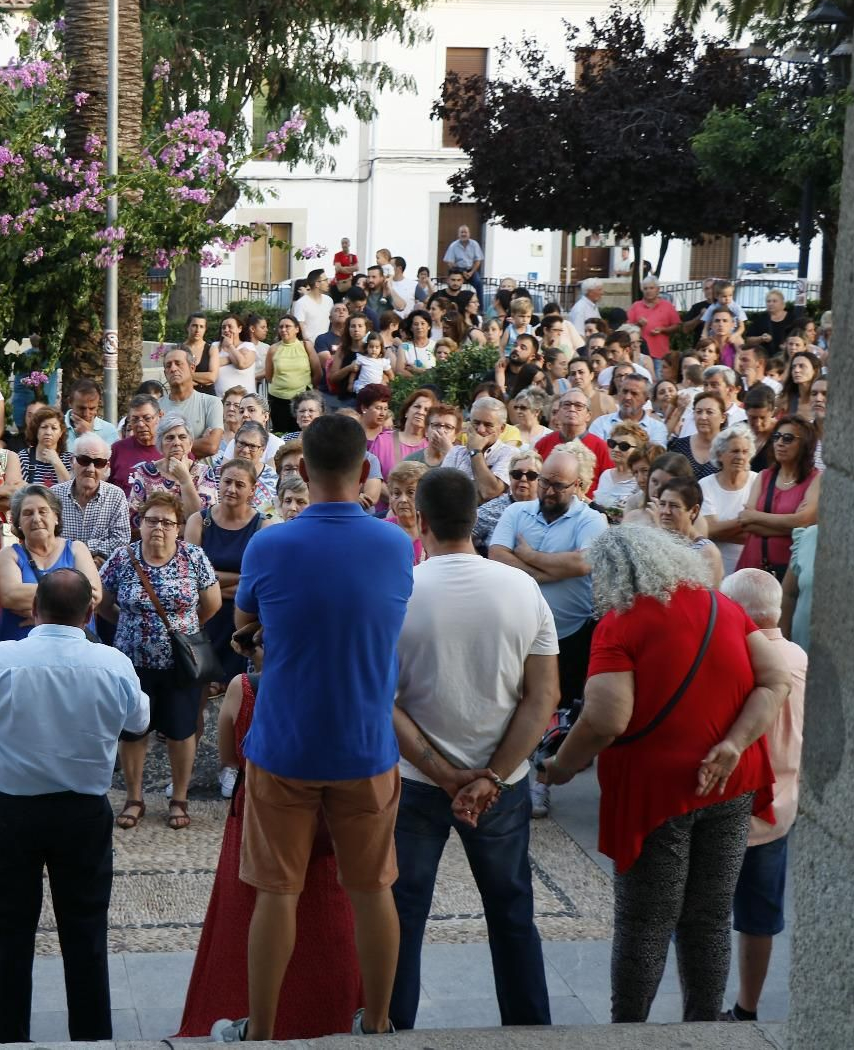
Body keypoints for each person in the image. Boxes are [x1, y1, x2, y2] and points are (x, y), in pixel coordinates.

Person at [213, 414, 413, 1042]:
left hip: (284, 743)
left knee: (277, 892)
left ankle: (262, 1032)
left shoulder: (270, 544)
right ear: (365, 473)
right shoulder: (392, 544)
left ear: (301, 471)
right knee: (373, 888)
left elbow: (245, 618)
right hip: (365, 742)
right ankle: (376, 1023)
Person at [539, 525, 791, 1022]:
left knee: (645, 923)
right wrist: (733, 744)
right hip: (728, 783)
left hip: (657, 795)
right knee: (710, 918)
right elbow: (775, 680)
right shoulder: (725, 608)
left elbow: (607, 718)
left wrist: (561, 767)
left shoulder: (621, 624)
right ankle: (703, 1027)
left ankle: (629, 1031)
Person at [0, 569, 145, 1042]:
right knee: (87, 932)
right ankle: (92, 1038)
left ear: (32, 612)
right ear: (90, 614)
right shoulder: (112, 663)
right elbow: (139, 721)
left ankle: (9, 1038)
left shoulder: (0, 658)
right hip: (83, 812)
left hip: (12, 811)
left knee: (10, 933)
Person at [389, 467, 559, 1028]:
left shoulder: (402, 592)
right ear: (476, 516)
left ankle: (391, 1031)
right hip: (502, 785)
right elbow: (544, 697)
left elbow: (383, 703)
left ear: (419, 517)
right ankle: (530, 1030)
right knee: (512, 912)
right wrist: (492, 775)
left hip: (417, 781)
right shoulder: (522, 589)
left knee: (403, 915)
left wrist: (444, 775)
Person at [176, 622, 362, 1040]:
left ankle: (256, 1019)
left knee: (253, 909)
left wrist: (251, 646)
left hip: (260, 803)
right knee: (329, 913)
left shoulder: (247, 687)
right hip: (329, 809)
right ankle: (342, 1013)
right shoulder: (340, 681)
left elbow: (228, 756)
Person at [488, 445, 607, 817]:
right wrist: (549, 571)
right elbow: (496, 555)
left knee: (559, 713)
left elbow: (583, 562)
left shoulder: (592, 521)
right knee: (514, 704)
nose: (547, 491)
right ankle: (502, 776)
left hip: (569, 633)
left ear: (579, 485)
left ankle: (540, 785)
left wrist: (529, 557)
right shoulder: (516, 511)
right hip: (519, 631)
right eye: (544, 482)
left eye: (558, 485)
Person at [99, 490, 220, 833]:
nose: (159, 528)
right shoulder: (123, 558)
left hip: (180, 664)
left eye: (167, 522)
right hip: (132, 662)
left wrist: (184, 631)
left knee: (182, 731)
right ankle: (134, 798)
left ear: (179, 527)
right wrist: (129, 624)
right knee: (134, 730)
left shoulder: (193, 557)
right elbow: (103, 604)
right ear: (139, 523)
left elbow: (211, 604)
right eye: (152, 520)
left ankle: (179, 798)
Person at [717, 569, 807, 1023]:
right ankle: (746, 1007)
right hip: (781, 809)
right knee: (760, 915)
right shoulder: (800, 655)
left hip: (732, 806)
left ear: (735, 611)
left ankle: (705, 1003)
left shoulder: (736, 661)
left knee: (708, 911)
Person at [186, 456, 277, 701]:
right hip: (205, 619)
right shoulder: (199, 521)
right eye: (227, 482)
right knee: (199, 697)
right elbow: (190, 577)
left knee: (242, 698)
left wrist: (211, 581)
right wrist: (241, 580)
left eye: (239, 484)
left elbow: (260, 586)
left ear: (252, 490)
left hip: (243, 621)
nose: (231, 489)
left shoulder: (263, 527)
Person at [0, 484, 101, 643]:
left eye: (43, 511)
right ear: (18, 523)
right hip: (21, 648)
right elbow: (9, 596)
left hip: (73, 647)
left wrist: (45, 619)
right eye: (27, 513)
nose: (36, 518)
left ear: (56, 517)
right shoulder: (8, 554)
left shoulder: (77, 549)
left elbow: (93, 595)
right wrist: (70, 597)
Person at [736, 415, 820, 577]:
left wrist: (756, 516)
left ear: (805, 444)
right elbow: (746, 522)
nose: (780, 443)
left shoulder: (815, 479)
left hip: (788, 570)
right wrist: (790, 525)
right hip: (753, 565)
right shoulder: (764, 476)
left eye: (788, 438)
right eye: (776, 437)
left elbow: (804, 522)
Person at [51, 434, 130, 566]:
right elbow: (48, 538)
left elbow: (121, 541)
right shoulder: (54, 495)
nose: (91, 469)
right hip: (60, 570)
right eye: (84, 460)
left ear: (106, 466)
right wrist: (86, 554)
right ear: (72, 461)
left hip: (101, 572)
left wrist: (84, 550)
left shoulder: (116, 496)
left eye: (99, 463)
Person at [127, 413, 208, 534]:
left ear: (190, 443)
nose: (176, 442)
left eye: (182, 437)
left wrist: (185, 480)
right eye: (170, 438)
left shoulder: (204, 473)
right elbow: (135, 519)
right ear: (160, 445)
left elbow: (204, 521)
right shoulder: (144, 473)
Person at [699, 425, 757, 576]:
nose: (740, 457)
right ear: (719, 455)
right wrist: (748, 519)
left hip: (750, 569)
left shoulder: (758, 481)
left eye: (745, 452)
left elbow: (761, 533)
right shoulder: (705, 485)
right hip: (714, 570)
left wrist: (721, 532)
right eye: (735, 451)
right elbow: (708, 530)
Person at [444, 396, 517, 504]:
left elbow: (489, 491)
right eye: (476, 423)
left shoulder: (510, 454)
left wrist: (476, 452)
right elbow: (442, 492)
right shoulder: (456, 452)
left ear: (502, 428)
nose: (480, 430)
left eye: (488, 425)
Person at [656, 478, 725, 588]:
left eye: (674, 506)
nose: (666, 511)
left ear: (694, 511)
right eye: (662, 504)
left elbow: (711, 598)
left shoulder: (707, 552)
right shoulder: (655, 542)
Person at [159, 347, 225, 459]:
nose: (173, 368)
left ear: (192, 368)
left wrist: (166, 445)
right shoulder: (155, 407)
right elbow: (151, 447)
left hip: (200, 473)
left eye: (178, 363)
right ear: (165, 373)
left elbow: (211, 446)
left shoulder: (211, 403)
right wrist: (199, 442)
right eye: (168, 365)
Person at [18, 404, 72, 487]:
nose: (48, 432)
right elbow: (19, 492)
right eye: (44, 427)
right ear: (36, 430)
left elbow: (71, 492)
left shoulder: (69, 459)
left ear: (61, 432)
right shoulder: (23, 457)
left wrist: (56, 462)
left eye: (54, 428)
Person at [443, 225, 485, 302]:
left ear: (469, 234)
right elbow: (449, 262)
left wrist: (471, 272)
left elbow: (478, 260)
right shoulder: (453, 245)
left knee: (479, 284)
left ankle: (480, 309)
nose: (463, 234)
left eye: (465, 232)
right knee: (453, 285)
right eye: (461, 232)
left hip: (471, 270)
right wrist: (461, 272)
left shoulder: (474, 244)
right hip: (457, 270)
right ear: (458, 234)